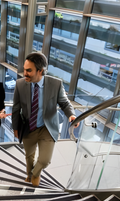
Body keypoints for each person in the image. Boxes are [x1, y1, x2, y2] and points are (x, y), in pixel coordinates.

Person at [12, 52, 79, 187]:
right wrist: (15, 127)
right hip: (28, 126)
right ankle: (29, 174)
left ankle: (35, 173)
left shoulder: (55, 84)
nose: (25, 73)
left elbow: (64, 103)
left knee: (45, 160)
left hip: (47, 127)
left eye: (29, 70)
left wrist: (71, 115)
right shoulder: (20, 84)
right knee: (29, 156)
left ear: (40, 71)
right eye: (24, 69)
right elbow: (15, 108)